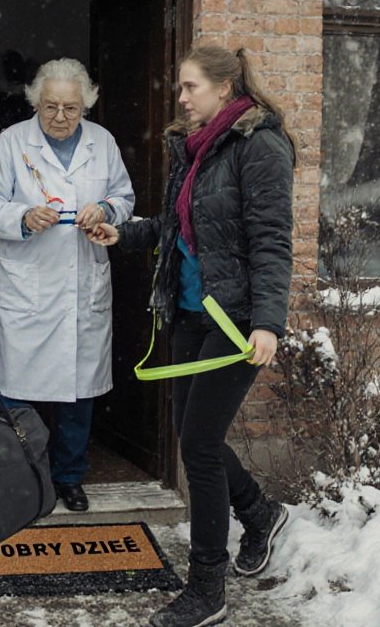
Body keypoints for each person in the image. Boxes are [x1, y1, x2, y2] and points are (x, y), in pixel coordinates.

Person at [88, 45, 296, 627]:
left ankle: (208, 588)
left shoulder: (260, 145)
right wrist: (122, 235)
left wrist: (267, 322)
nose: (180, 98)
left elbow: (271, 239)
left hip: (234, 320)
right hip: (187, 313)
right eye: (180, 87)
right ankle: (259, 513)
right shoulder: (195, 147)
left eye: (189, 87)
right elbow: (172, 226)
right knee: (191, 437)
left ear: (225, 88)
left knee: (199, 447)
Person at [0, 58, 135, 512]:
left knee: (77, 391)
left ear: (86, 105)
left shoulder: (102, 143)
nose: (60, 117)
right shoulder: (11, 142)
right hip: (27, 284)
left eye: (71, 108)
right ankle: (19, 480)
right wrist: (21, 217)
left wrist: (104, 209)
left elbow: (125, 196)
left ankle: (68, 477)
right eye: (50, 107)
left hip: (82, 280)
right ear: (35, 103)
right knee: (15, 392)